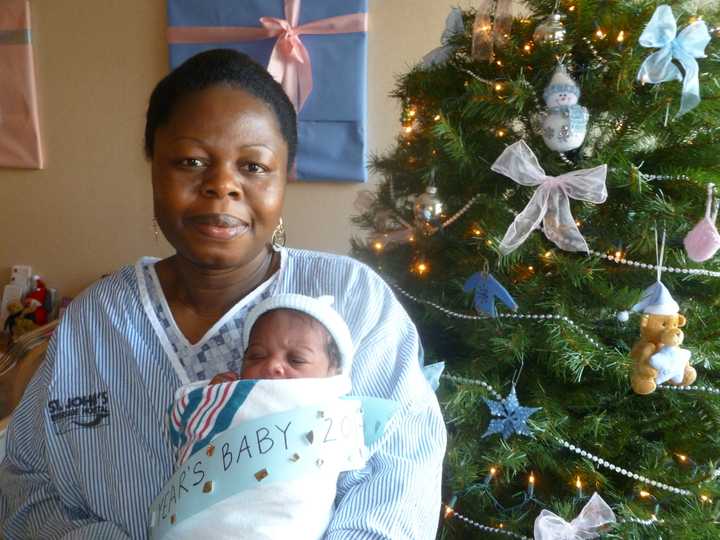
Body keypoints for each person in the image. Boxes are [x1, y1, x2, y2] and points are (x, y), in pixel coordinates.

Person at [0, 49, 446, 539]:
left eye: (253, 166)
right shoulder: (97, 319)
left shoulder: (353, 300)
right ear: (153, 166)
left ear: (284, 176)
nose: (221, 186)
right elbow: (25, 480)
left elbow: (401, 485)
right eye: (190, 161)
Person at [160, 293, 366, 540]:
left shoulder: (334, 411)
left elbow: (354, 472)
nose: (273, 366)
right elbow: (182, 429)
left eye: (296, 359)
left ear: (333, 374)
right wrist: (213, 398)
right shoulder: (230, 396)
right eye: (256, 355)